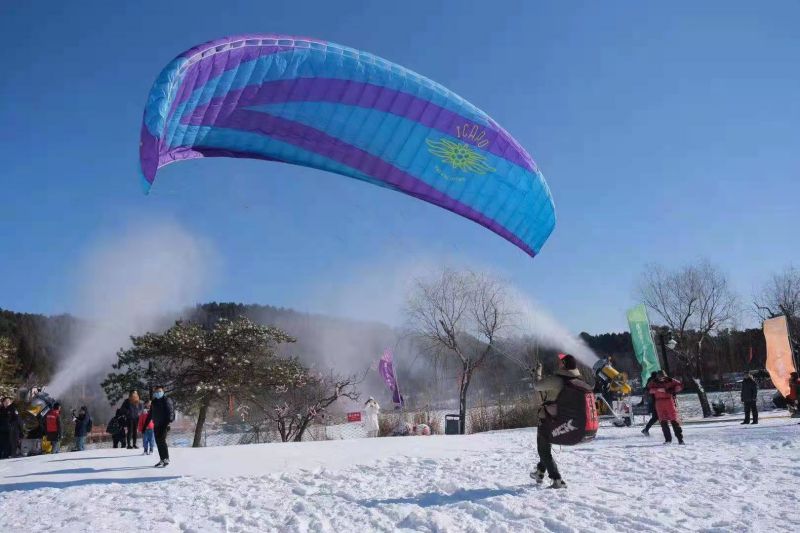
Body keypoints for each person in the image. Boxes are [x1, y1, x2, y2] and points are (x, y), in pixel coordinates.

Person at [530, 353, 582, 489]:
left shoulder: (558, 380)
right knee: (545, 447)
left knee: (543, 450)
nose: (559, 363)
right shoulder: (577, 380)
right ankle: (540, 472)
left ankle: (557, 479)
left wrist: (538, 372)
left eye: (561, 362)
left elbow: (537, 386)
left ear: (564, 365)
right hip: (562, 420)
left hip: (548, 419)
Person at [648, 371, 684, 444]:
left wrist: (669, 390)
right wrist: (656, 390)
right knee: (663, 420)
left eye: (663, 377)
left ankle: (680, 439)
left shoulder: (671, 380)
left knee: (674, 419)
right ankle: (668, 439)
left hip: (669, 401)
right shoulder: (653, 382)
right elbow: (648, 389)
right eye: (660, 377)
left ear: (666, 376)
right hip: (659, 402)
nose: (661, 379)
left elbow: (679, 386)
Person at [143, 386, 174, 467]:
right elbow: (150, 414)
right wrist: (145, 425)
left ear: (163, 391)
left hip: (164, 424)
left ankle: (166, 458)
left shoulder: (166, 400)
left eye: (159, 391)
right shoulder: (154, 402)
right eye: (156, 392)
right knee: (158, 442)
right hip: (156, 424)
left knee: (162, 441)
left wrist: (168, 422)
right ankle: (162, 459)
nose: (158, 393)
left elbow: (171, 412)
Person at [641, 372, 660, 436]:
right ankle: (646, 429)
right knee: (655, 417)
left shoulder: (648, 384)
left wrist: (642, 402)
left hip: (652, 403)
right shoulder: (653, 383)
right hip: (654, 403)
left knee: (655, 417)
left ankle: (646, 429)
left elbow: (644, 395)